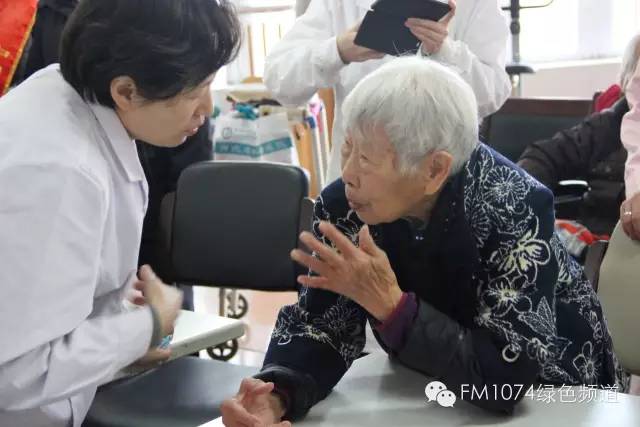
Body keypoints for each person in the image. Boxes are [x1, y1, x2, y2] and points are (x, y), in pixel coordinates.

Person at [220, 57, 628, 425]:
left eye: (366, 159)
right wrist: (278, 393)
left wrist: (393, 307)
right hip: (430, 387)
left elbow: (507, 376)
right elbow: (324, 324)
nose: (348, 174)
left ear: (434, 170)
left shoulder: (514, 204)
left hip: (555, 390)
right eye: (347, 149)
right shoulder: (346, 204)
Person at [0, 1, 241, 426]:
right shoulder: (62, 171)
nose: (206, 108)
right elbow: (19, 371)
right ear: (126, 91)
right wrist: (148, 325)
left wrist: (124, 333)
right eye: (195, 91)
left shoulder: (62, 92)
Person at [264, 0, 511, 182]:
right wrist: (338, 50)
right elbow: (279, 80)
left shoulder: (477, 4)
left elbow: (493, 92)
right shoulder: (338, 3)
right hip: (357, 183)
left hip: (441, 187)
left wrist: (445, 51)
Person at [517, 35, 640, 237]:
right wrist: (530, 204)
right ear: (625, 82)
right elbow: (542, 156)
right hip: (592, 239)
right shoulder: (607, 125)